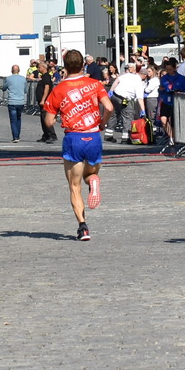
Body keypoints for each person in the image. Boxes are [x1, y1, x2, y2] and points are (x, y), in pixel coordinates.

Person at [41, 50, 114, 241]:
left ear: (64, 66)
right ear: (83, 65)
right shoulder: (95, 84)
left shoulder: (59, 89)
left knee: (74, 186)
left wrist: (58, 118)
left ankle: (83, 227)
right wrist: (102, 123)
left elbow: (48, 121)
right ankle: (94, 182)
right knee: (90, 174)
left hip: (74, 137)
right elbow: (109, 107)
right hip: (93, 136)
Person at [109, 62, 146, 142]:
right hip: (124, 99)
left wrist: (111, 90)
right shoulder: (139, 83)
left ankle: (108, 134)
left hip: (115, 95)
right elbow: (140, 99)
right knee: (128, 116)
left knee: (114, 115)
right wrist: (143, 110)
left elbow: (117, 80)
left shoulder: (127, 75)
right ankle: (125, 137)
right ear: (143, 76)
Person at [156, 58, 185, 146]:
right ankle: (171, 136)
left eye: (170, 69)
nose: (169, 71)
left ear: (174, 68)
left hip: (177, 102)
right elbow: (162, 89)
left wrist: (180, 91)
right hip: (166, 101)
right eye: (167, 69)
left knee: (174, 122)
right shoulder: (164, 78)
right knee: (163, 120)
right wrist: (161, 90)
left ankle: (174, 138)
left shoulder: (181, 78)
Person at [0, 63, 29, 142]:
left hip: (12, 101)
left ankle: (15, 137)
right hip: (21, 101)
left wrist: (2, 88)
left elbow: (4, 88)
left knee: (13, 120)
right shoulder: (23, 79)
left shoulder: (8, 79)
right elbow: (25, 90)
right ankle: (18, 135)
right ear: (19, 70)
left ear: (11, 70)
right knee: (18, 118)